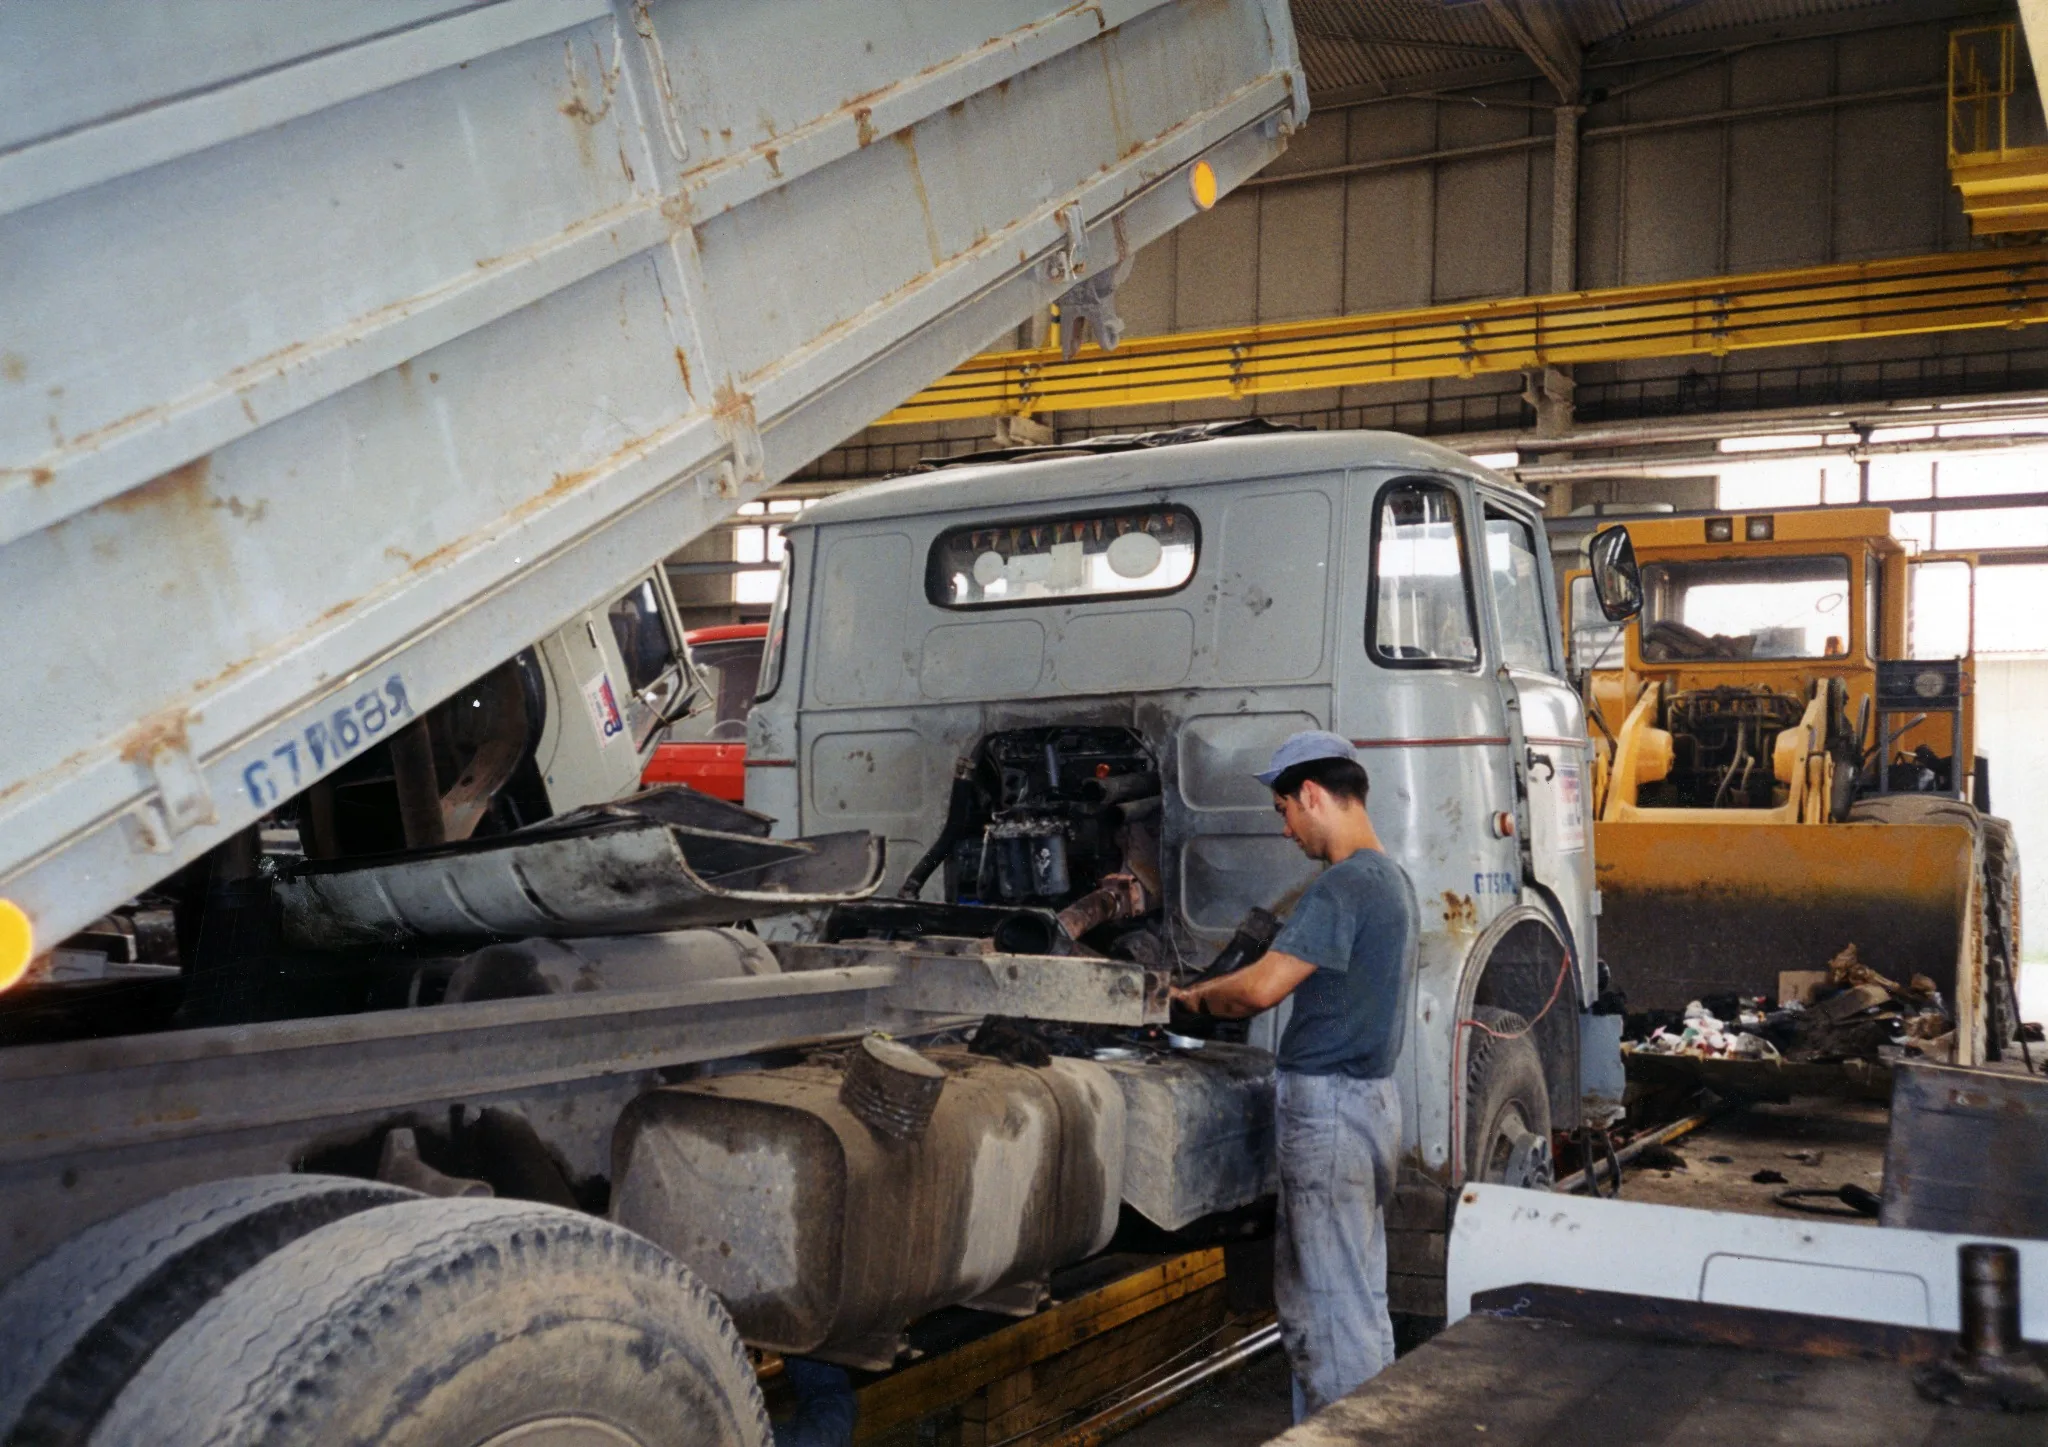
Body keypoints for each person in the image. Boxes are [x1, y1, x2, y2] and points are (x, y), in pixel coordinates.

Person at [1169, 730, 1418, 1421]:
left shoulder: (1345, 882)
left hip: (1331, 1112)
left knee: (1331, 1315)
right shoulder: (1391, 879)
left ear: (1313, 794)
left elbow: (1260, 989)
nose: (1286, 830)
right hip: (1368, 1105)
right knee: (1348, 1298)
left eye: (1285, 811)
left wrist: (1195, 998)